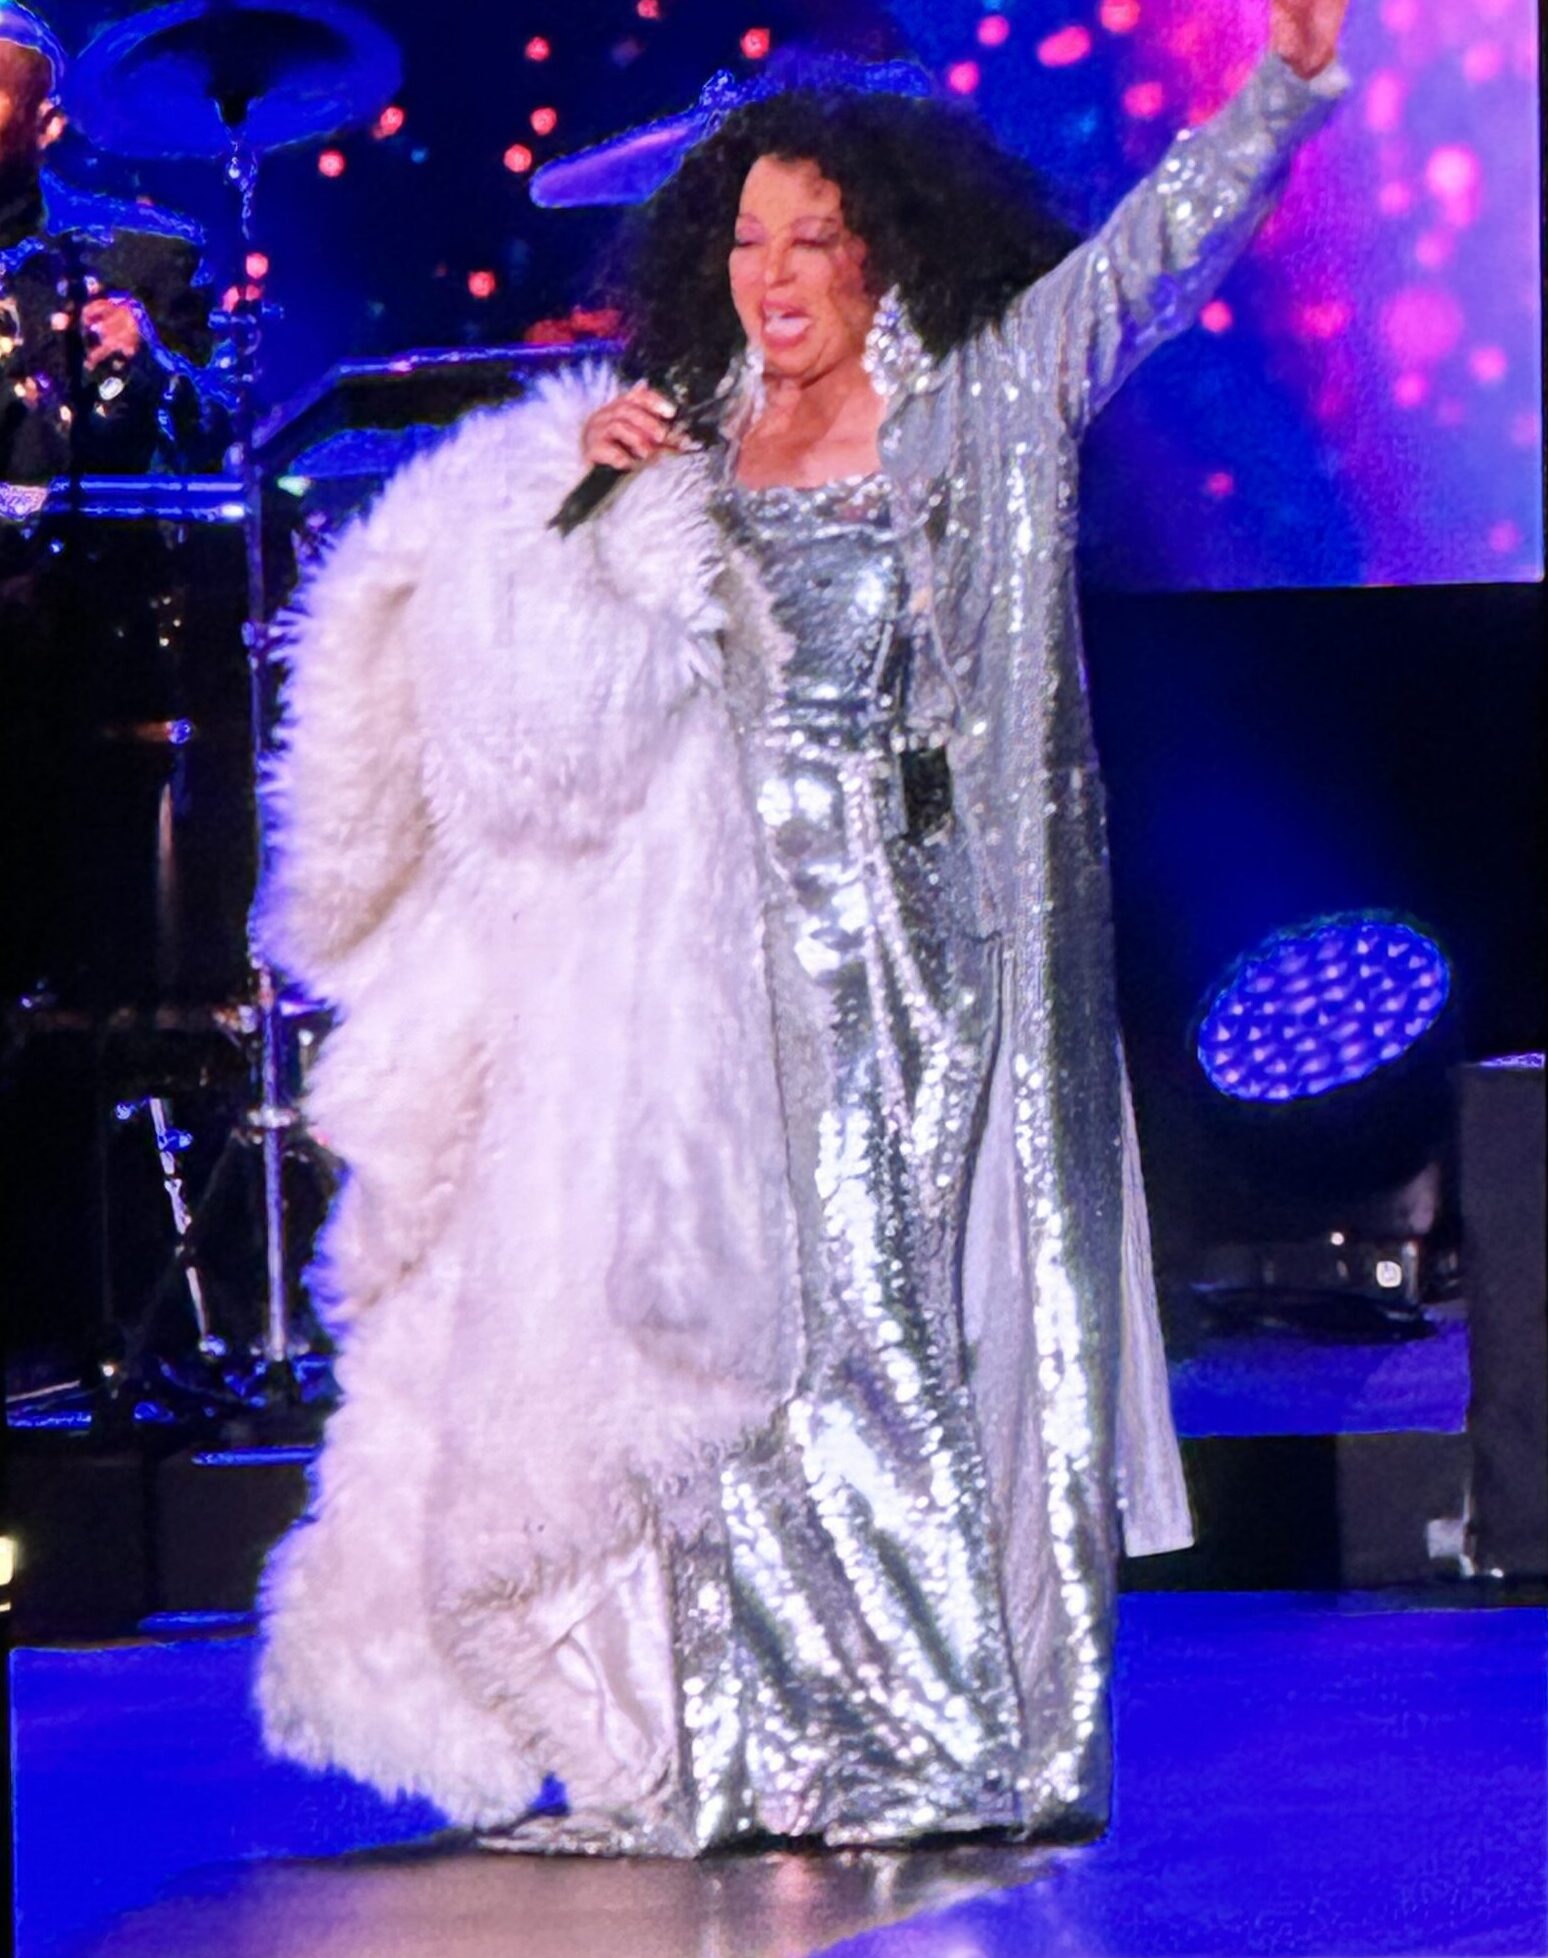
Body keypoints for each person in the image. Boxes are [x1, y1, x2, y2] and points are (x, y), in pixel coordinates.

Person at [255, 3, 1350, 1855]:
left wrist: (1283, 90)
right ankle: (761, 1746)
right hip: (700, 959)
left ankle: (935, 1729)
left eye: (810, 239)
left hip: (912, 949)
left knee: (885, 1337)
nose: (772, 275)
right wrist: (585, 503)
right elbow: (549, 703)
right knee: (722, 1357)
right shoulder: (673, 438)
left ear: (880, 252)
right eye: (745, 240)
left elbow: (1152, 256)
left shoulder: (979, 402)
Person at [0, 2, 220, 486]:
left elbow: (223, 447)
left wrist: (150, 363)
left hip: (95, 556)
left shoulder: (152, 254)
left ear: (48, 123)